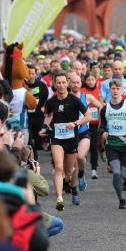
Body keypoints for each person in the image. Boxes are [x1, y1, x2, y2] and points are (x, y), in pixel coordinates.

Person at [40, 71, 92, 211]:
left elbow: (88, 117)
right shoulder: (51, 102)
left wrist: (75, 123)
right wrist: (45, 127)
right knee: (58, 167)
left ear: (67, 83)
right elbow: (49, 115)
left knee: (68, 170)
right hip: (56, 138)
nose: (61, 85)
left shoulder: (75, 100)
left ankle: (71, 183)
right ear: (54, 85)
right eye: (59, 83)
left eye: (64, 82)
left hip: (71, 139)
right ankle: (59, 199)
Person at [99, 79, 126, 209]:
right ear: (110, 91)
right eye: (113, 89)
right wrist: (103, 132)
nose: (115, 91)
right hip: (112, 146)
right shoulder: (105, 109)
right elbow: (101, 126)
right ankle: (121, 199)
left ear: (122, 90)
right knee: (116, 172)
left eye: (117, 89)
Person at [69, 73, 102, 193]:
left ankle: (82, 173)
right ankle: (71, 186)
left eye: (78, 82)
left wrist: (101, 123)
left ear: (81, 83)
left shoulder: (87, 97)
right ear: (69, 83)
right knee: (71, 163)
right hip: (69, 133)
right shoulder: (65, 97)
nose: (76, 85)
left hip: (83, 131)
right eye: (73, 82)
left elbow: (101, 107)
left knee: (80, 157)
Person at [25, 64, 49, 159]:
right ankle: (33, 156)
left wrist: (41, 105)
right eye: (29, 73)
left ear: (36, 74)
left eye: (33, 74)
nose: (31, 76)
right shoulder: (23, 85)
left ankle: (36, 149)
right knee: (29, 140)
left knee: (38, 138)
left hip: (38, 115)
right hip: (27, 116)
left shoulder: (41, 85)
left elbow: (45, 97)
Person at [81, 72, 102, 179]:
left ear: (96, 81)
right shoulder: (81, 92)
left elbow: (101, 106)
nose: (90, 82)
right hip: (83, 123)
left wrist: (101, 123)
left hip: (95, 123)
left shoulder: (99, 92)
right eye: (88, 80)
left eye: (92, 80)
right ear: (85, 81)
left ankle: (94, 169)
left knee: (94, 146)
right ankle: (82, 168)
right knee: (82, 148)